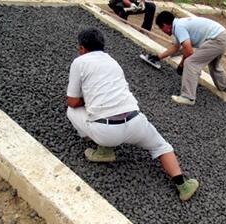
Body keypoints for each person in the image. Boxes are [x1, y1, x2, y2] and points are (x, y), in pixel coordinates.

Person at [66, 28, 199, 201]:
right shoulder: (113, 62)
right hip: (136, 122)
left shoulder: (79, 62)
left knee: (72, 111)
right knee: (161, 146)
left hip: (105, 132)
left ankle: (103, 150)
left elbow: (72, 101)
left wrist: (89, 100)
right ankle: (183, 185)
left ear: (82, 48)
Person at [149, 11, 226, 106]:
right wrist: (158, 57)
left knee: (191, 63)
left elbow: (189, 51)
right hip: (223, 36)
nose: (162, 31)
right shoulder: (179, 24)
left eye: (161, 28)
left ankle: (188, 97)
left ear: (165, 25)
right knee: (213, 63)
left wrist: (182, 64)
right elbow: (176, 47)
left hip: (217, 39)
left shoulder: (179, 27)